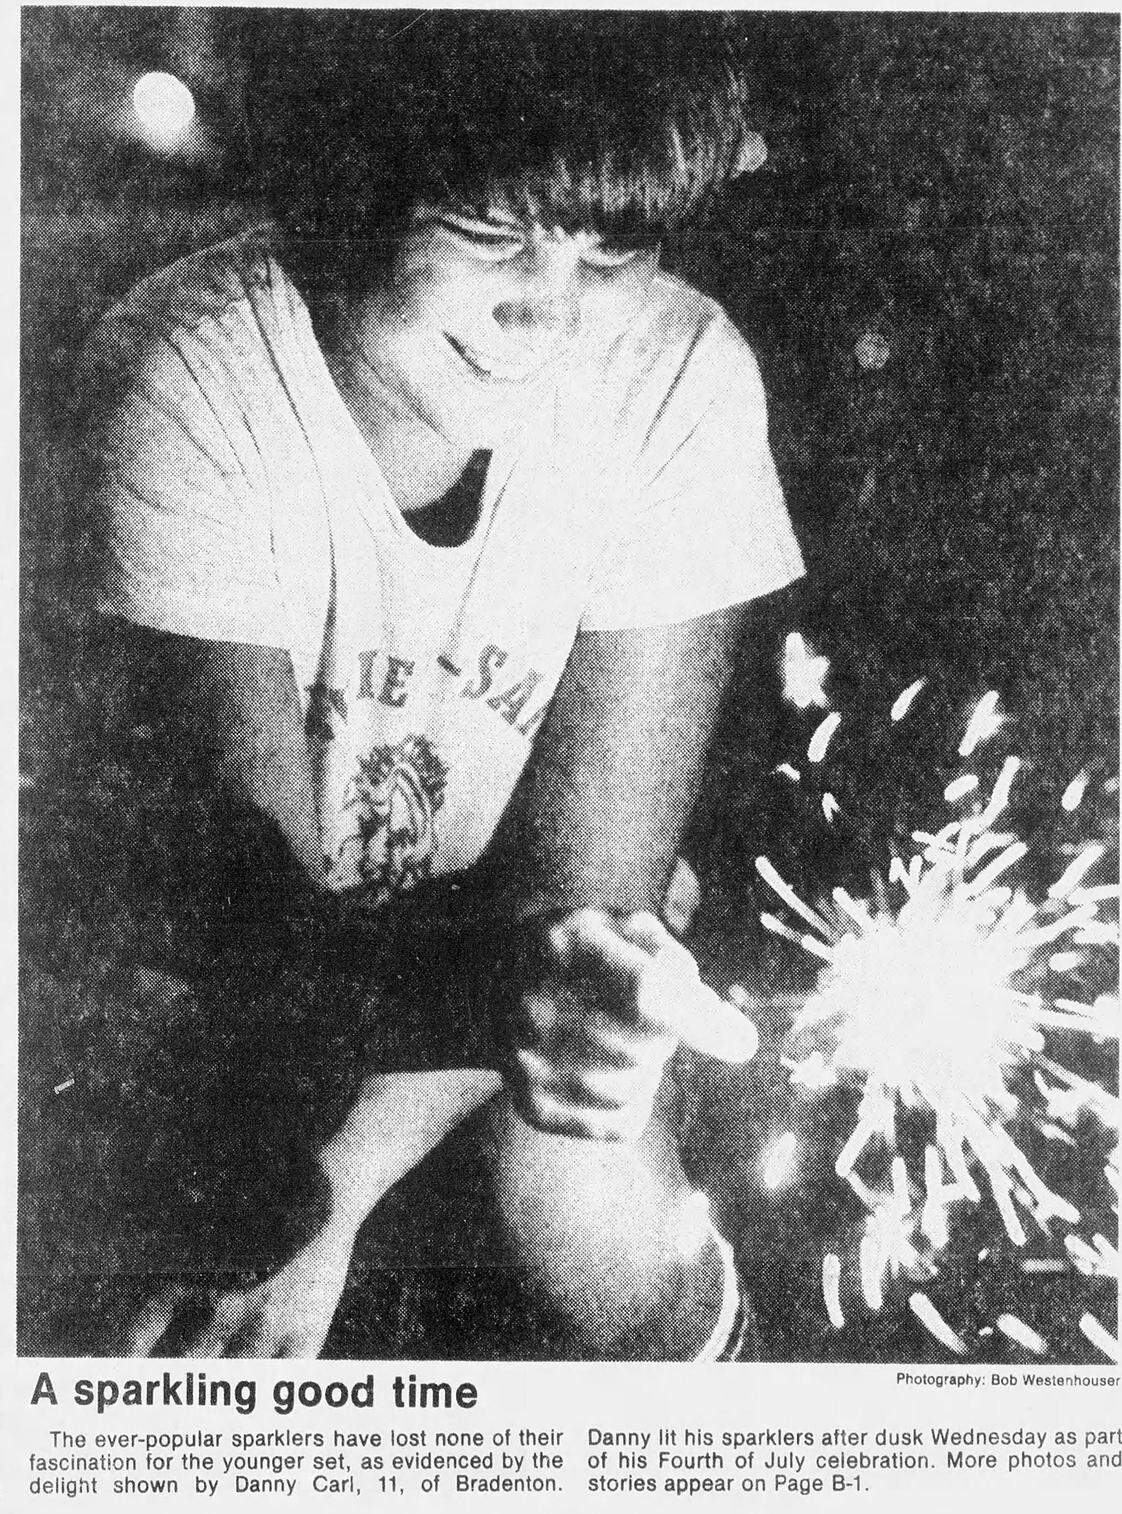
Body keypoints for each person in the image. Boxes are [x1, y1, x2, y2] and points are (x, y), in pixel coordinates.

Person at [56, 12, 803, 1360]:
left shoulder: (677, 377)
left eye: (605, 242)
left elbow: (578, 916)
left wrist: (336, 1193)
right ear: (352, 175)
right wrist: (294, 1201)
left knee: (576, 1180)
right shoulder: (188, 379)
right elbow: (250, 946)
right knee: (197, 1214)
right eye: (494, 222)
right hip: (279, 991)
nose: (550, 306)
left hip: (496, 997)